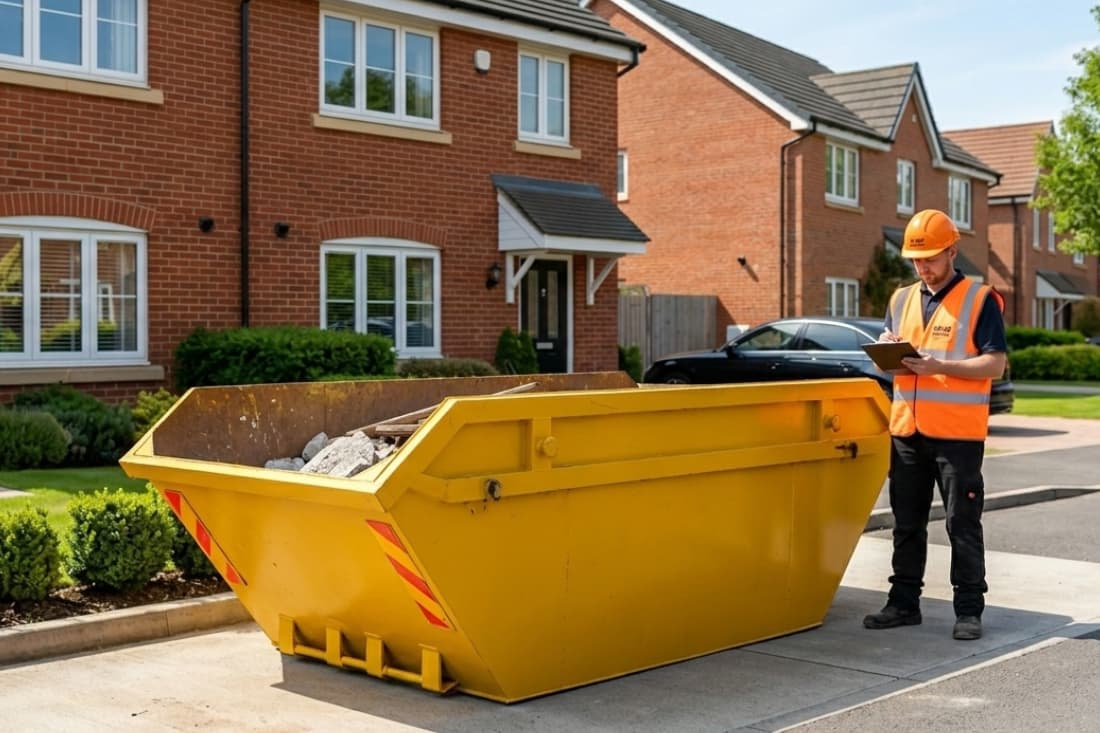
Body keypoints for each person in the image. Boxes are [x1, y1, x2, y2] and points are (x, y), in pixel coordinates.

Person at [863, 208, 1007, 641]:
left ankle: (968, 610)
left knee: (962, 522)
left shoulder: (980, 299)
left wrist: (938, 366)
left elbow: (995, 363)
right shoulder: (900, 299)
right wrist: (889, 348)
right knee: (906, 523)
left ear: (952, 251)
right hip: (908, 429)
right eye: (915, 259)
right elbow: (898, 355)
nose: (922, 267)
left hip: (957, 436)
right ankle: (903, 604)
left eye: (930, 258)